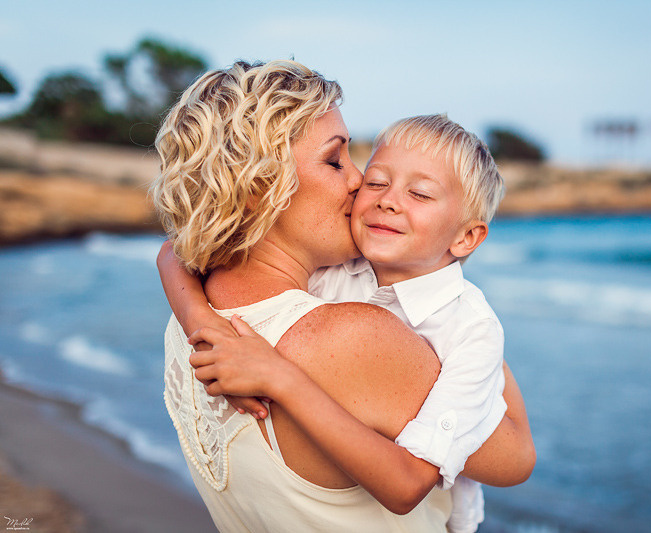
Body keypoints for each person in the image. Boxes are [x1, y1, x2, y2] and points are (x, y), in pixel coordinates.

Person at [153, 60, 534, 532]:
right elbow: (515, 456)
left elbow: (172, 252)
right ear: (258, 189)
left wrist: (196, 318)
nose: (360, 184)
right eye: (336, 160)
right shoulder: (354, 337)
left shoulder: (196, 320)